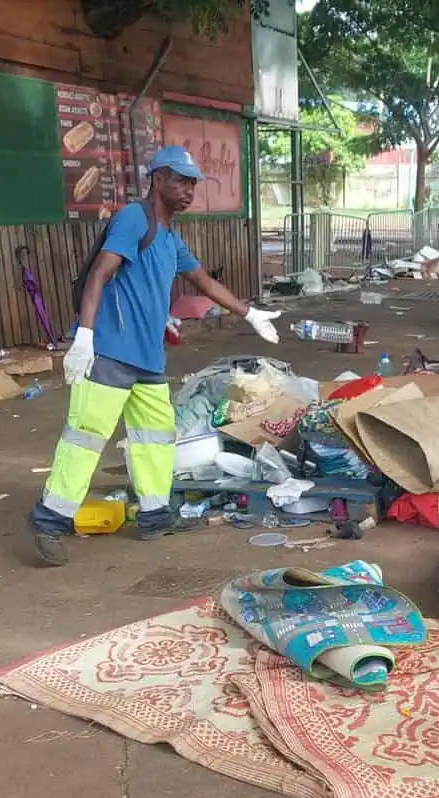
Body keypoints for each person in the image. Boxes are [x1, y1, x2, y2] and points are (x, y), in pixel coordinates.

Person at [28, 146, 279, 566]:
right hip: (109, 351)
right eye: (180, 180)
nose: (188, 190)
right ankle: (48, 521)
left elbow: (201, 281)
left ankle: (155, 515)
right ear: (157, 179)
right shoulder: (133, 219)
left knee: (156, 438)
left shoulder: (170, 238)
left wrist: (249, 312)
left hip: (147, 359)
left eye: (193, 183)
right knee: (86, 437)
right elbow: (100, 273)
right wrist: (85, 335)